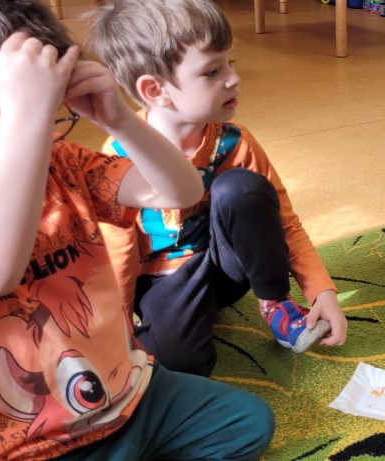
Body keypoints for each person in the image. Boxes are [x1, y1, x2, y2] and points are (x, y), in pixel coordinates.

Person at [0, 1, 273, 459]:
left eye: (46, 121)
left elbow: (181, 190)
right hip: (31, 443)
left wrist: (119, 119)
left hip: (126, 392)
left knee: (250, 423)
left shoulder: (61, 163)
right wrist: (24, 117)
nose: (32, 147)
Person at [88, 0, 346, 377]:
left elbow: (284, 222)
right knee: (183, 365)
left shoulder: (235, 142)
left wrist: (321, 290)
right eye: (212, 71)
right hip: (163, 279)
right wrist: (119, 328)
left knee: (243, 188)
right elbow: (116, 253)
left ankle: (276, 305)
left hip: (224, 270)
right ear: (155, 90)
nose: (233, 79)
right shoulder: (120, 157)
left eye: (231, 63)